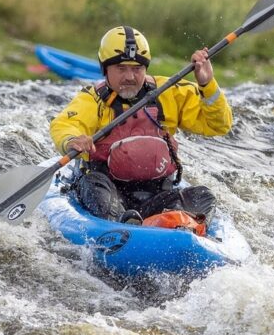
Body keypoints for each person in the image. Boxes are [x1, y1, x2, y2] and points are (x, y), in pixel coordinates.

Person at [50, 25, 232, 229]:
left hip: (157, 193)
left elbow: (219, 125)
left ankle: (184, 225)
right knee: (93, 185)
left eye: (137, 68)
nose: (129, 76)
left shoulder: (169, 92)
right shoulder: (93, 99)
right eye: (121, 68)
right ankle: (123, 225)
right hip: (108, 191)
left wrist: (207, 84)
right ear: (105, 69)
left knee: (202, 196)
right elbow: (65, 124)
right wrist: (72, 140)